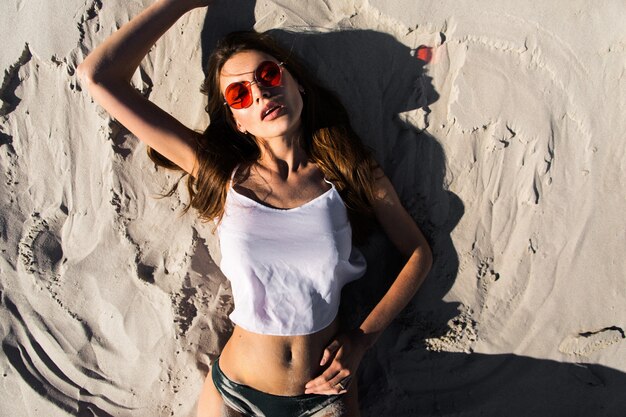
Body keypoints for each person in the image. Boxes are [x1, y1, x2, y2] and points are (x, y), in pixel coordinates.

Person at [77, 0, 433, 416]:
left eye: (268, 74)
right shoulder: (220, 174)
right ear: (237, 121)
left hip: (324, 397)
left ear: (296, 83)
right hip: (235, 392)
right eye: (239, 92)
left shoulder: (349, 169)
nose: (260, 91)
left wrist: (362, 340)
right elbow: (98, 77)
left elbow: (418, 254)